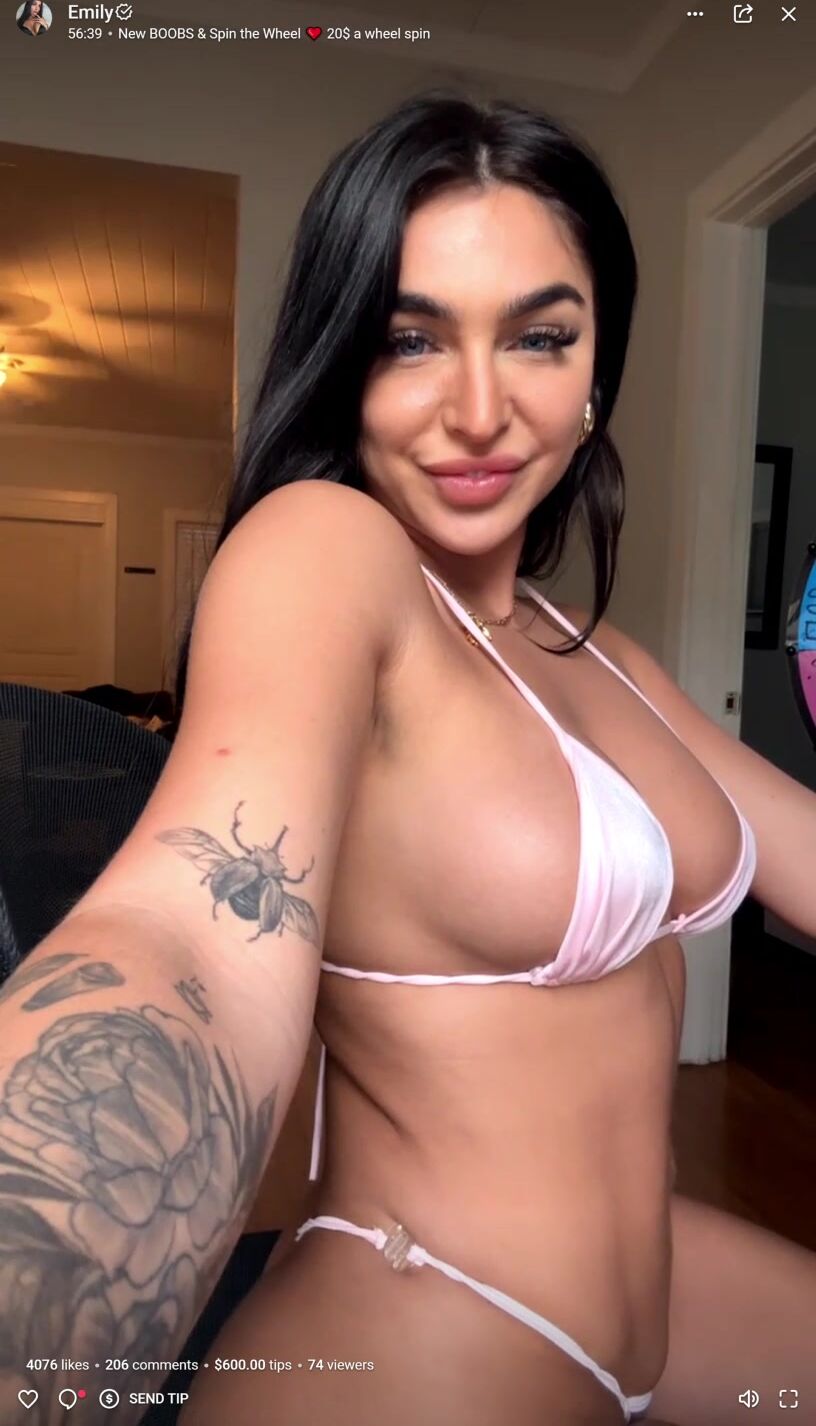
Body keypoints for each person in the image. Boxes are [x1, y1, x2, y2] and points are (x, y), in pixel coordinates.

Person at [0, 91, 813, 1426]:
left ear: (596, 367)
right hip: (426, 1325)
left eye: (540, 336)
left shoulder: (592, 649)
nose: (480, 409)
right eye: (410, 340)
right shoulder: (326, 551)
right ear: (343, 366)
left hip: (660, 1298)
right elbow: (192, 931)